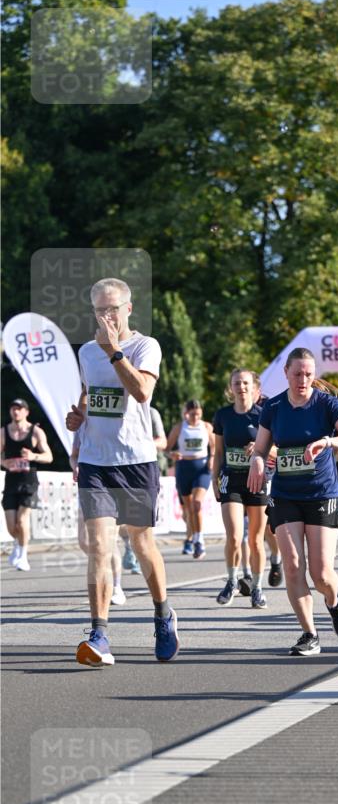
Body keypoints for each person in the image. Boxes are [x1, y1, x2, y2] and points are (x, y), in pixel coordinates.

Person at [65, 277, 179, 666]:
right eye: (99, 310)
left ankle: (163, 614)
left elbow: (143, 392)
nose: (106, 316)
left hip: (136, 460)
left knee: (142, 545)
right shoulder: (85, 352)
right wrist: (78, 419)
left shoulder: (146, 346)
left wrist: (115, 351)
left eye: (113, 309)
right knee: (99, 546)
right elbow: (89, 393)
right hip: (96, 462)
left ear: (128, 309)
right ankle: (99, 634)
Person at [247, 347, 338, 655]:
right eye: (297, 374)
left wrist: (329, 441)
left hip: (321, 493)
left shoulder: (326, 404)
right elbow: (261, 450)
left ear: (314, 377)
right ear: (286, 373)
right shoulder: (273, 407)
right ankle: (309, 633)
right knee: (292, 565)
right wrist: (258, 462)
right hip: (285, 495)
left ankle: (333, 601)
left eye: (308, 374)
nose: (303, 380)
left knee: (322, 574)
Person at [212, 369, 271, 609]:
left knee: (256, 541)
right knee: (235, 536)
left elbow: (276, 448)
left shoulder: (263, 415)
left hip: (257, 479)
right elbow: (218, 452)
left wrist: (258, 448)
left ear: (254, 387)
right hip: (231, 479)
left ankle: (257, 588)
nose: (241, 387)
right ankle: (232, 581)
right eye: (237, 383)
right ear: (231, 387)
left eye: (246, 383)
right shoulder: (223, 415)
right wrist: (213, 479)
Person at [70, 428, 126, 606]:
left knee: (109, 540)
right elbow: (74, 454)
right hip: (89, 482)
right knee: (85, 541)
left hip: (113, 481)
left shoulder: (116, 421)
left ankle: (116, 587)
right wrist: (75, 466)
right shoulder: (82, 425)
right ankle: (105, 571)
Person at [1, 398, 53, 571]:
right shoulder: (3, 432)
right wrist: (4, 463)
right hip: (11, 481)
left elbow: (49, 456)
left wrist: (33, 456)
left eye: (19, 409)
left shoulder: (36, 432)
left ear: (26, 412)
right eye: (13, 409)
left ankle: (23, 556)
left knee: (22, 520)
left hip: (29, 481)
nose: (16, 412)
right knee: (11, 525)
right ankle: (17, 543)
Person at [166, 400, 214, 560]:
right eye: (192, 414)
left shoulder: (206, 427)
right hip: (183, 468)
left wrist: (213, 457)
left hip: (201, 468)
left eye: (198, 414)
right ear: (186, 413)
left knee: (196, 504)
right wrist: (171, 454)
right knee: (188, 510)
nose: (195, 418)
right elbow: (167, 449)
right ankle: (193, 536)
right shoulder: (179, 428)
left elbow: (215, 445)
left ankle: (199, 540)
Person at [120, 405, 166, 572]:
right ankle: (129, 546)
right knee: (122, 518)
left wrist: (140, 444)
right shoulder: (117, 406)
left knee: (141, 522)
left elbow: (163, 441)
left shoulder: (151, 413)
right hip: (117, 467)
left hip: (142, 469)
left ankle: (139, 552)